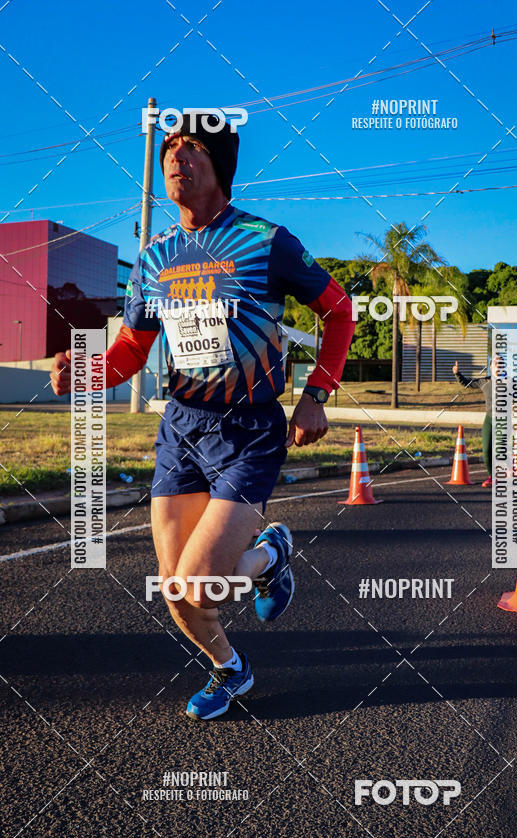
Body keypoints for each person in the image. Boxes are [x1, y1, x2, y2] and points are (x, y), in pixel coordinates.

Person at [51, 113, 355, 721]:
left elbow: (340, 308)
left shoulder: (267, 242)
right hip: (182, 430)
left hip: (249, 431)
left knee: (198, 584)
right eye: (169, 147)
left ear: (220, 169)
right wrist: (82, 373)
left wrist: (318, 391)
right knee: (177, 591)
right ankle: (229, 669)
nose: (176, 157)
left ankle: (270, 556)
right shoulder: (155, 257)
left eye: (192, 148)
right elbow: (133, 350)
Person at [452, 358, 498, 487]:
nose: (498, 366)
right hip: (489, 418)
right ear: (491, 367)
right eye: (495, 364)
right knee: (486, 449)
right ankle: (492, 476)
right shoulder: (484, 381)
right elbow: (467, 383)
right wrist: (457, 374)